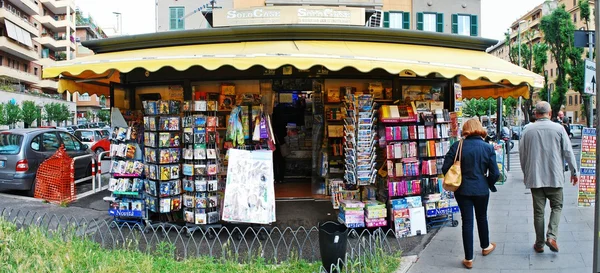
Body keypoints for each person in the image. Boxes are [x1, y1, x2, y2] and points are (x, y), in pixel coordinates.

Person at [519, 101, 578, 253]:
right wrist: (574, 172)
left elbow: (522, 155)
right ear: (550, 113)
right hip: (555, 177)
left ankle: (539, 244)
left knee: (538, 212)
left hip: (536, 178)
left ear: (535, 114)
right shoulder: (558, 128)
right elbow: (568, 152)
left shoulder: (527, 130)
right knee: (557, 207)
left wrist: (527, 174)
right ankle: (551, 236)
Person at [442, 119, 500, 269]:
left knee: (467, 221)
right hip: (481, 189)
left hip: (462, 189)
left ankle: (468, 258)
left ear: (465, 130)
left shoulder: (458, 146)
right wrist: (487, 182)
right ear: (479, 129)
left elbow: (445, 168)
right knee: (482, 217)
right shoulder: (488, 148)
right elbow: (495, 173)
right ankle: (485, 246)